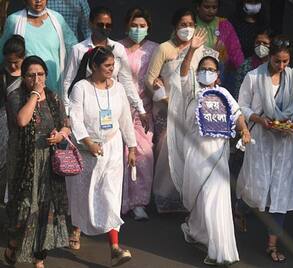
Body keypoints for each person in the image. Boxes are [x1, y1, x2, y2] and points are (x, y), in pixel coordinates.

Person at [179, 29, 251, 266]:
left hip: (218, 156)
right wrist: (191, 50)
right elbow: (183, 73)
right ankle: (199, 233)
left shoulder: (223, 94)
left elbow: (238, 114)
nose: (207, 73)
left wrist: (245, 130)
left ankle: (219, 250)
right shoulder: (193, 92)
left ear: (218, 75)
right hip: (195, 155)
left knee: (215, 201)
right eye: (203, 69)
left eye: (211, 70)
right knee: (199, 200)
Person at [236, 36, 293, 262]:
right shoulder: (254, 77)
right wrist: (259, 118)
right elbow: (242, 106)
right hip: (261, 139)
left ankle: (271, 244)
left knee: (280, 193)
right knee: (255, 187)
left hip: (285, 142)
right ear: (269, 57)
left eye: (286, 62)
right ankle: (240, 210)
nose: (282, 66)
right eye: (278, 61)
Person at [68, 46, 136, 267]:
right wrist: (87, 141)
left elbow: (125, 118)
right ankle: (76, 228)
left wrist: (132, 147)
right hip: (86, 151)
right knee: (83, 194)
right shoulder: (81, 88)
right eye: (107, 65)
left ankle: (115, 248)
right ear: (94, 66)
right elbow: (75, 118)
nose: (111, 69)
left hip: (113, 148)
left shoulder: (117, 89)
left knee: (110, 195)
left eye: (113, 65)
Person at [4, 55, 70, 268]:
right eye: (31, 75)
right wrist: (33, 95)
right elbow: (22, 120)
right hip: (24, 165)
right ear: (24, 78)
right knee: (24, 210)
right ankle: (14, 244)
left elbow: (66, 125)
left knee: (45, 209)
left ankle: (38, 259)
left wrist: (60, 135)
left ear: (46, 75)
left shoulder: (53, 98)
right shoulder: (16, 96)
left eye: (40, 74)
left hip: (49, 164)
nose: (37, 79)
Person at [145, 8, 214, 213]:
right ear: (175, 27)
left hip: (193, 111)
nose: (187, 28)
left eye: (190, 24)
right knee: (168, 151)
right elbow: (150, 80)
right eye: (183, 24)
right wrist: (165, 100)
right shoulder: (164, 49)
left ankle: (188, 200)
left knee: (190, 154)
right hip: (167, 110)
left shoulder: (202, 50)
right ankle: (164, 199)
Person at [63, 6, 146, 122]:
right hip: (87, 106)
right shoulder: (78, 49)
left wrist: (140, 109)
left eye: (108, 25)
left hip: (113, 103)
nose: (104, 28)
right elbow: (68, 81)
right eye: (100, 25)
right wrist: (67, 111)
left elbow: (126, 80)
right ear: (91, 24)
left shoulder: (118, 49)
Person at [119, 7, 158, 220]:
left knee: (144, 157)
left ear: (148, 27)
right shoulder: (116, 48)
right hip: (119, 111)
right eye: (134, 25)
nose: (138, 29)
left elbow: (160, 75)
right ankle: (119, 202)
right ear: (127, 25)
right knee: (120, 157)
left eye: (142, 26)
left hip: (144, 112)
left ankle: (139, 202)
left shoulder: (155, 49)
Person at [0, 0, 77, 95]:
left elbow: (73, 46)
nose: (38, 1)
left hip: (54, 84)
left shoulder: (57, 19)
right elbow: (3, 51)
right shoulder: (14, 20)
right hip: (25, 86)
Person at [194, 0, 244, 91]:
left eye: (214, 7)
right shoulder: (190, 23)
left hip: (221, 76)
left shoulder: (224, 25)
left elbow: (235, 51)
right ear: (198, 7)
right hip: (195, 74)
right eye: (207, 7)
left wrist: (243, 71)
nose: (211, 11)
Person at [0, 35, 25, 206]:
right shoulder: (1, 73)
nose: (13, 66)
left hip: (21, 125)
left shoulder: (29, 75)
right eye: (9, 62)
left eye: (16, 62)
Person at [234, 29, 271, 100]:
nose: (261, 46)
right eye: (258, 42)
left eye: (265, 43)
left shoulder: (277, 64)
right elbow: (239, 92)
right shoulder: (245, 65)